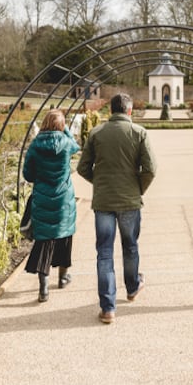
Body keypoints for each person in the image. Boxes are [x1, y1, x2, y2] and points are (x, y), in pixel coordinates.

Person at [77, 93, 156, 324]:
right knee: (130, 246)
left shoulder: (96, 133)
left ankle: (108, 307)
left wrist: (100, 183)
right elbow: (150, 169)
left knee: (104, 252)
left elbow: (83, 167)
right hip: (129, 200)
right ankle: (132, 287)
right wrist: (137, 187)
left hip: (103, 201)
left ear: (110, 111)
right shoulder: (139, 133)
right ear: (129, 111)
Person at [22, 109, 81, 303]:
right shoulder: (66, 144)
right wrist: (65, 131)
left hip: (43, 198)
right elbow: (76, 145)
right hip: (64, 198)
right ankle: (63, 277)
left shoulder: (35, 145)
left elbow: (28, 175)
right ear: (61, 125)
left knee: (44, 242)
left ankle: (44, 289)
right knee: (64, 237)